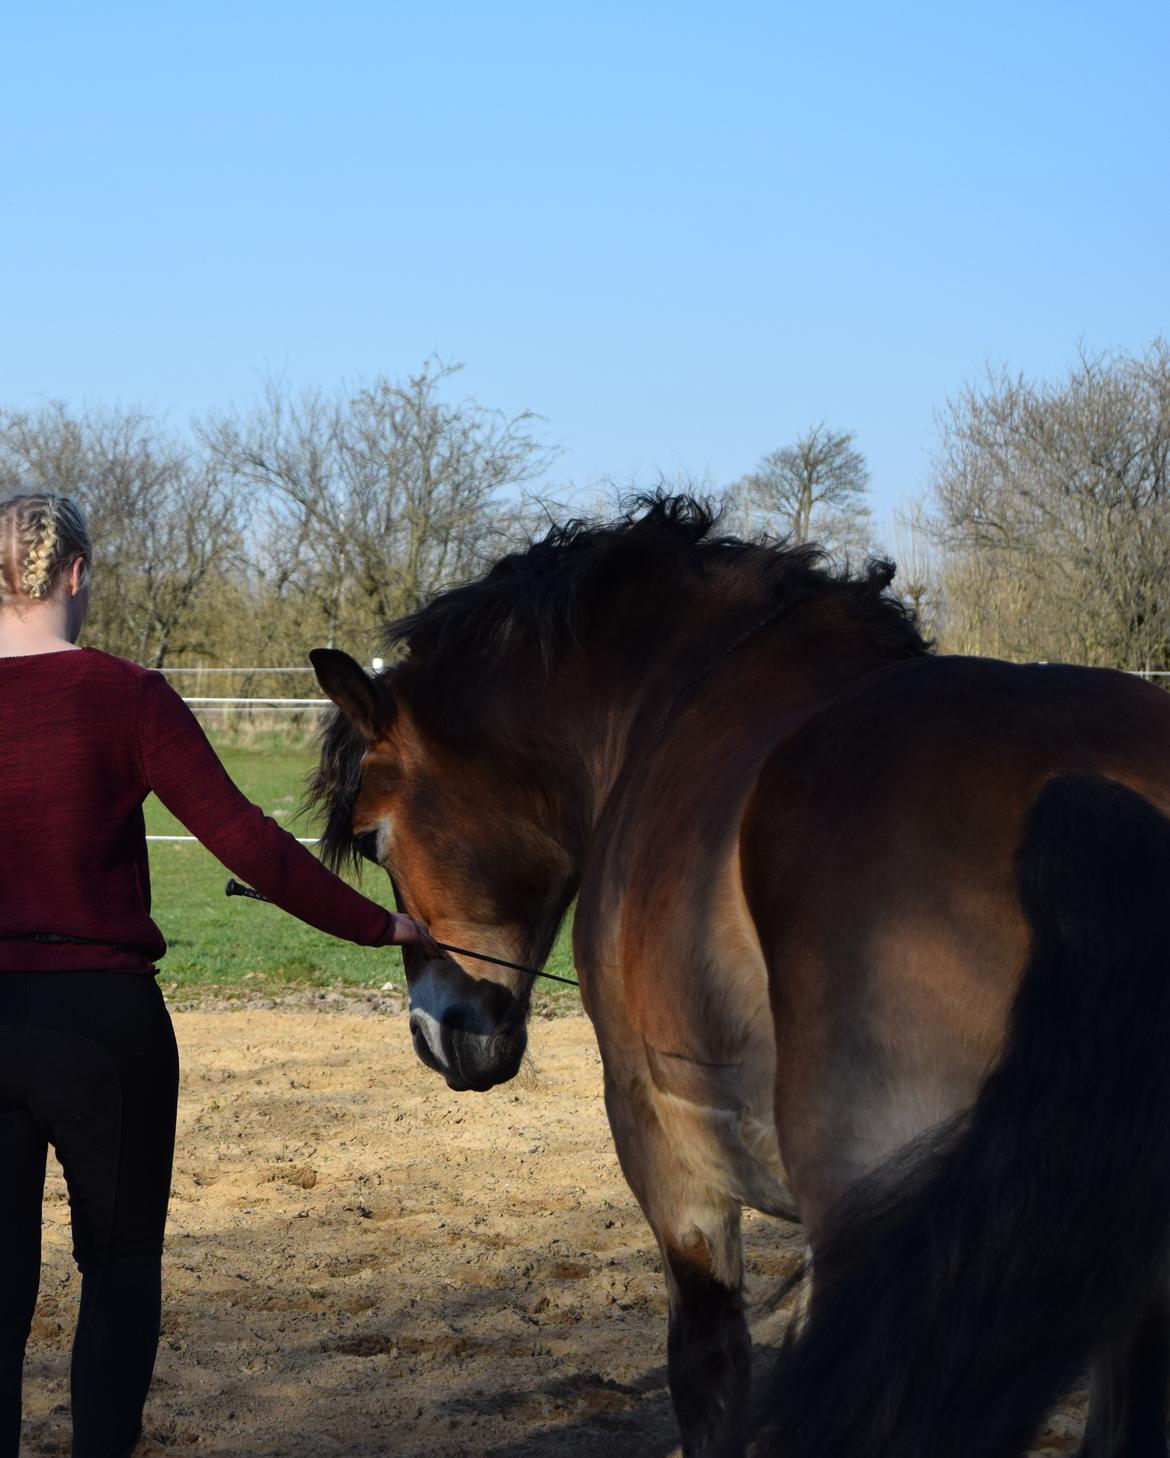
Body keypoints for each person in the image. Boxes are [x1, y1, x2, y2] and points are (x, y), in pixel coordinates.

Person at [0, 491, 436, 1458]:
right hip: (102, 1025)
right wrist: (379, 924)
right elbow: (248, 843)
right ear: (78, 574)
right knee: (118, 1269)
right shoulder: (129, 695)